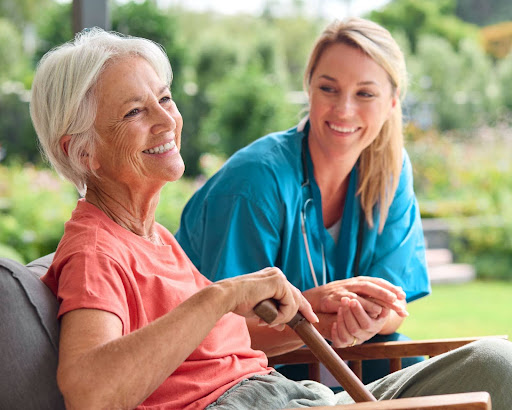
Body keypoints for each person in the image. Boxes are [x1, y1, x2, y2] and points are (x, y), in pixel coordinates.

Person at [31, 27, 512, 410]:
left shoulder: (151, 239)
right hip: (255, 402)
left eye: (166, 98)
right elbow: (91, 393)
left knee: (497, 360)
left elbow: (215, 347)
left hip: (293, 394)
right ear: (84, 151)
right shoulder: (98, 251)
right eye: (137, 110)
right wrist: (222, 296)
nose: (166, 120)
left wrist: (312, 314)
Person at [176, 17, 427, 384]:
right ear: (309, 88)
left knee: (422, 365)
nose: (344, 109)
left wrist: (362, 318)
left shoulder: (392, 171)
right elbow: (218, 332)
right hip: (228, 375)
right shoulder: (255, 181)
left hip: (334, 356)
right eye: (329, 88)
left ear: (391, 103)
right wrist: (314, 309)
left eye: (365, 93)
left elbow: (393, 308)